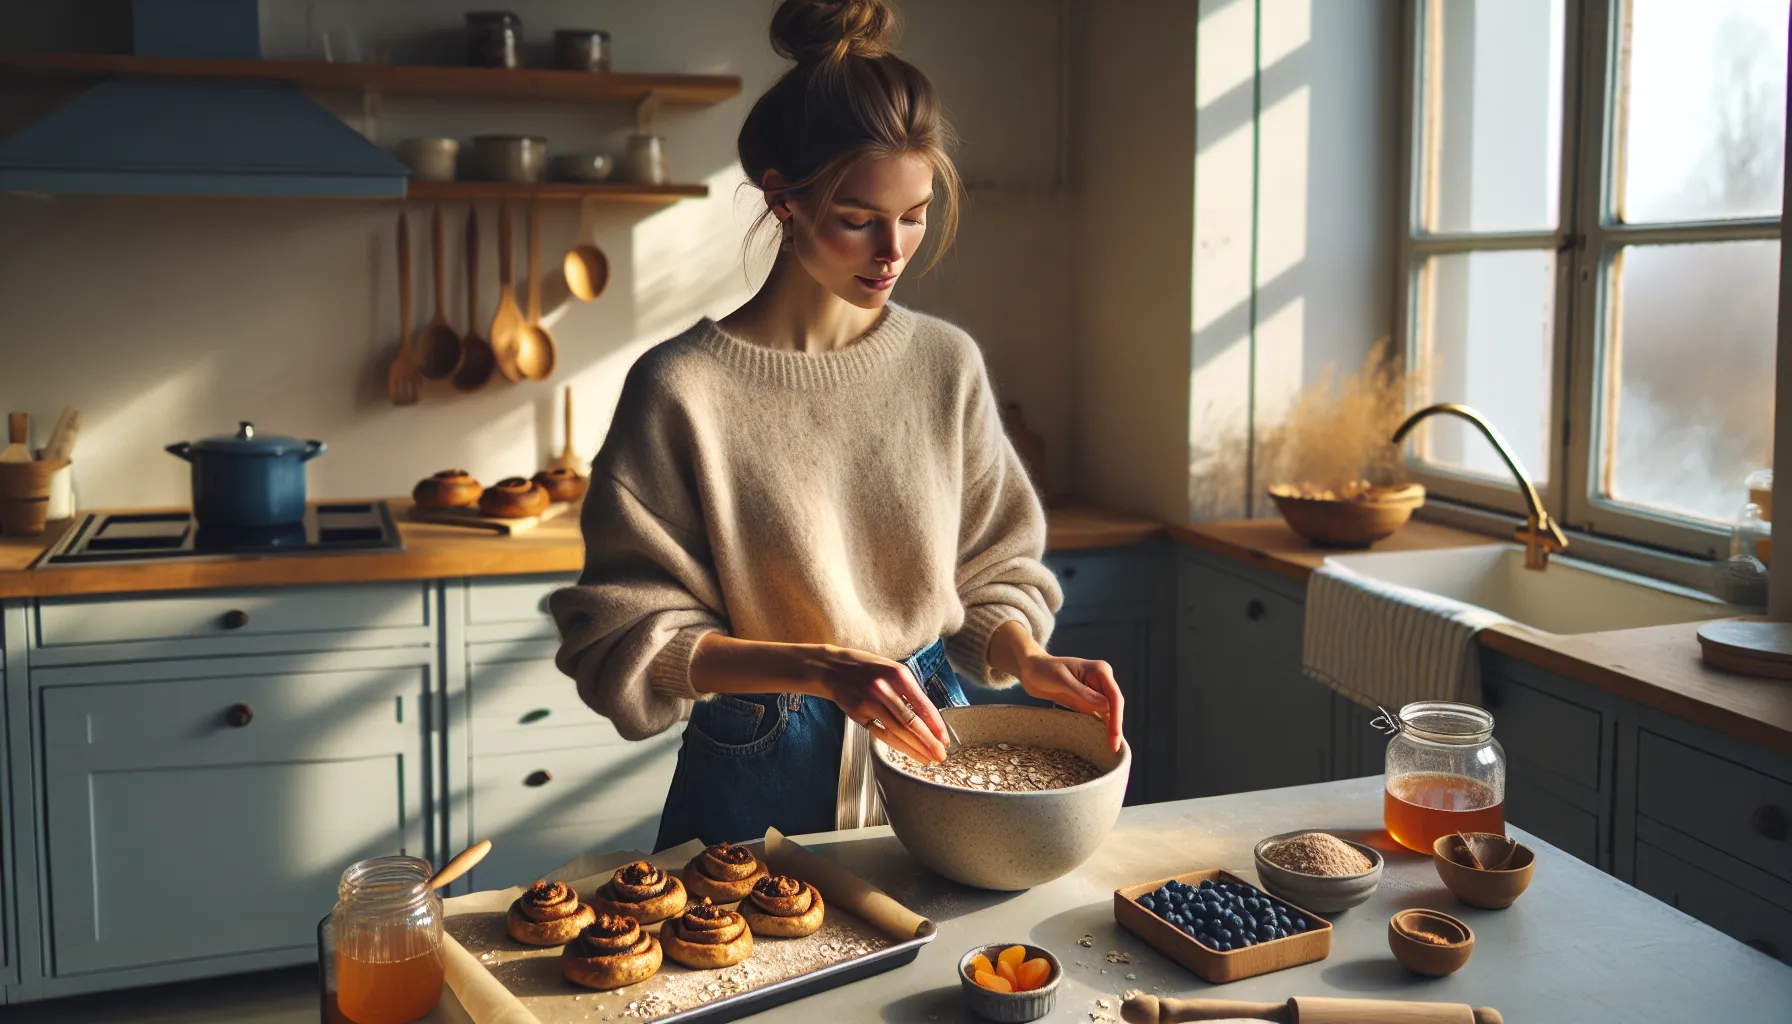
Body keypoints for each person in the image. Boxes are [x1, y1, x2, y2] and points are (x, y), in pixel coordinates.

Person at [551, 0, 1124, 852]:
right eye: (859, 219)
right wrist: (816, 668)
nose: (893, 251)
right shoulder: (682, 390)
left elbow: (988, 567)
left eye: (917, 213)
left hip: (935, 734)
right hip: (757, 759)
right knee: (740, 974)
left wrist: (1023, 655)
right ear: (781, 200)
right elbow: (626, 634)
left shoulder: (944, 363)